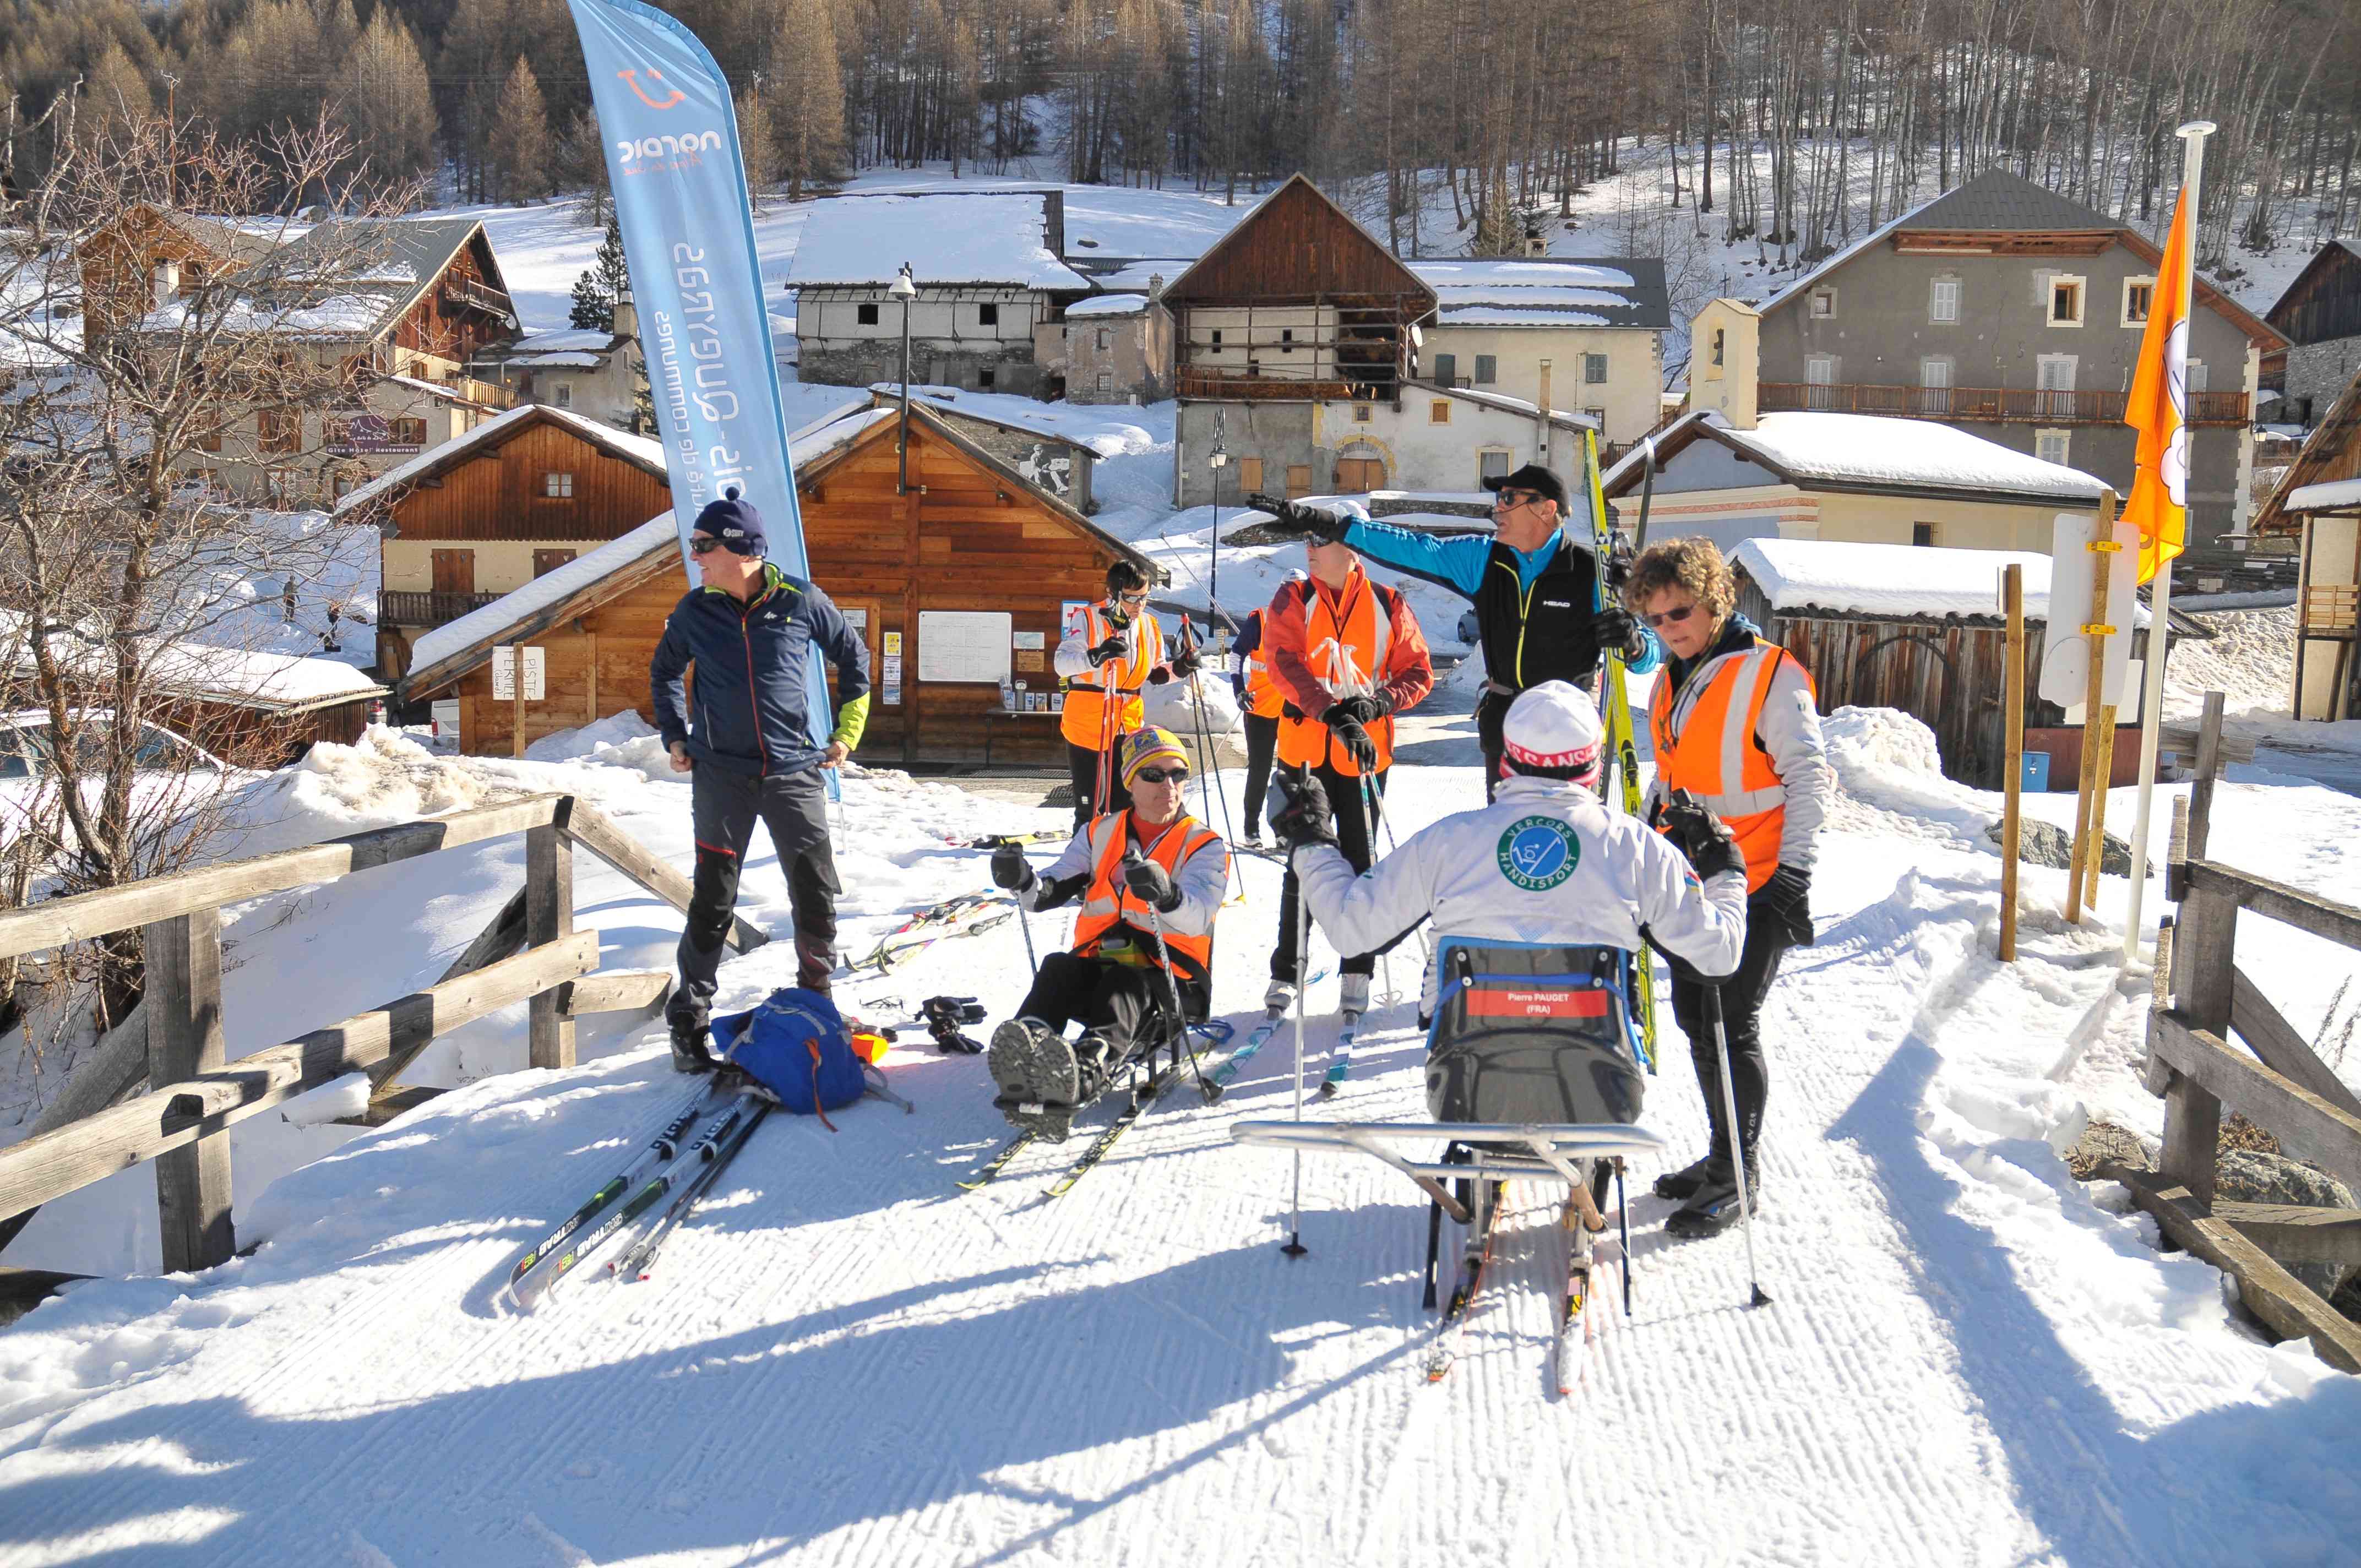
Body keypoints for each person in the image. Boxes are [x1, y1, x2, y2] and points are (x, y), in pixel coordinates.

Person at [1268, 679, 1748, 1135]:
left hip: (1464, 1083)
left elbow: (1353, 929)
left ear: (1507, 761)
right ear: (1593, 765)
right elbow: (1718, 956)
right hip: (1603, 1088)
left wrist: (1312, 841)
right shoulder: (1638, 848)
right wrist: (1724, 868)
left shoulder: (1449, 841)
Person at [1625, 536, 1831, 1238]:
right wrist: (1639, 840)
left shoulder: (1771, 674)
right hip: (1692, 882)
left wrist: (1795, 876)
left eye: (1679, 612)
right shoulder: (1671, 677)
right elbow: (1673, 775)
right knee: (1695, 1019)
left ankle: (1740, 1176)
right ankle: (1720, 1157)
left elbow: (1809, 778)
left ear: (1715, 600)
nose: (1668, 629)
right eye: (1655, 619)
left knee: (1731, 1024)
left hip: (1761, 881)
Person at [1259, 466, 1660, 797]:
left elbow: (1649, 656)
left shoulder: (1589, 572)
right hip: (1505, 724)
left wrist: (1634, 643)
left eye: (1509, 499)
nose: (1497, 509)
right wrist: (1328, 524)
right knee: (1507, 842)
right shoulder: (1485, 559)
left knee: (1568, 843)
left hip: (1567, 731)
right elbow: (1414, 547)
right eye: (1497, 499)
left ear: (1546, 509)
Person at [650, 494, 871, 1073]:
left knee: (814, 893)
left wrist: (846, 734)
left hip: (793, 773)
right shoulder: (695, 610)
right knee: (713, 899)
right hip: (721, 776)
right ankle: (689, 1020)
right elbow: (665, 671)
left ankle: (817, 1001)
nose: (695, 556)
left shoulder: (801, 600)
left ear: (741, 549)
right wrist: (675, 735)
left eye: (703, 546)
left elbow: (855, 661)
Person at [987, 727, 1230, 1140]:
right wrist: (1023, 880)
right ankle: (1027, 1046)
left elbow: (1199, 915)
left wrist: (1166, 894)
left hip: (1173, 982)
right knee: (1059, 967)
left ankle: (1086, 1067)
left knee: (1126, 980)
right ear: (1130, 783)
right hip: (1100, 964)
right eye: (1153, 775)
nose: (1168, 785)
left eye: (1178, 774)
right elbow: (1050, 890)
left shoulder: (1202, 844)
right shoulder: (1100, 832)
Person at [1261, 536, 1433, 1019]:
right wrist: (1329, 710)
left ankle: (1357, 969)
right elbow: (1283, 661)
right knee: (1303, 861)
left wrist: (1380, 703)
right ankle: (1287, 969)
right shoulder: (1295, 596)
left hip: (1363, 752)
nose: (1310, 548)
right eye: (1307, 540)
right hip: (1306, 749)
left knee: (1361, 862)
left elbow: (1418, 671)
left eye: (1322, 540)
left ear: (1352, 549)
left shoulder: (1387, 602)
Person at [1053, 560, 1196, 828]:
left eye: (1144, 597)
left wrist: (1182, 667)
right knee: (1091, 804)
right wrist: (1096, 656)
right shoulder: (1088, 618)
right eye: (1131, 598)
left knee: (1125, 801)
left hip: (1128, 723)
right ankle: (1085, 846)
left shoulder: (1149, 624)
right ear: (1112, 593)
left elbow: (1155, 673)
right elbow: (1062, 664)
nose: (1139, 605)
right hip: (1088, 721)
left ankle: (1121, 846)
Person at [1227, 573, 1304, 847]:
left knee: (1289, 774)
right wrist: (1239, 690)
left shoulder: (1309, 620)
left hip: (1294, 713)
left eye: (1300, 590)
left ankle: (1283, 831)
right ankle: (1251, 829)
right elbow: (1237, 654)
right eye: (1289, 589)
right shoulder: (1261, 619)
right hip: (1260, 708)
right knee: (1259, 771)